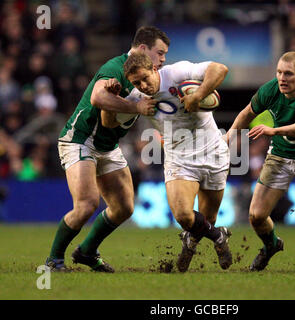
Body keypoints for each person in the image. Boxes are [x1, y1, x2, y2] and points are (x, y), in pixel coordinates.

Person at [45, 26, 170, 272]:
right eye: (161, 52)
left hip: (108, 146)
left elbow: (109, 120)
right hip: (80, 140)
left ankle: (87, 251)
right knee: (86, 205)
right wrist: (136, 108)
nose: (163, 59)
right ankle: (54, 260)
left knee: (124, 207)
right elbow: (96, 99)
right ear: (143, 49)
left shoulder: (152, 75)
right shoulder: (115, 68)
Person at [102, 52, 232, 272]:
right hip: (179, 159)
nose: (142, 85)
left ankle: (189, 245)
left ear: (154, 69)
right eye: (136, 83)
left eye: (145, 78)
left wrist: (198, 95)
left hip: (213, 153)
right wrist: (112, 102)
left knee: (206, 218)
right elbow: (109, 123)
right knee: (183, 215)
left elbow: (220, 69)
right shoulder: (137, 98)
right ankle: (219, 236)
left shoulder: (176, 72)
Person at [226, 51, 295, 272]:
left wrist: (274, 130)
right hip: (280, 157)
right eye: (279, 72)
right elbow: (247, 113)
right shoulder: (270, 89)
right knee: (256, 216)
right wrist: (228, 136)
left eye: (288, 74)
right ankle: (271, 245)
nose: (282, 78)